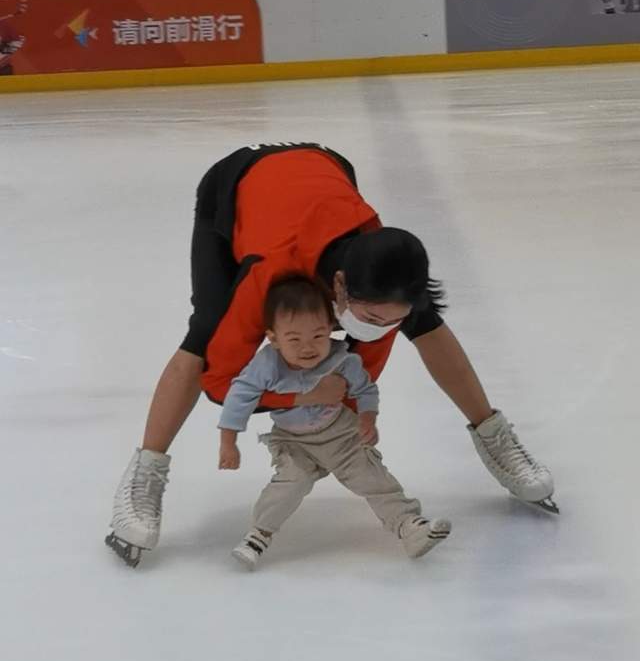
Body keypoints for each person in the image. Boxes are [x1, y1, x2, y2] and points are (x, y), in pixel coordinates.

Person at [106, 143, 556, 569]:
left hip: (324, 169)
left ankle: (494, 434)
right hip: (235, 184)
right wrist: (297, 403)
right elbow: (221, 383)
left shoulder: (382, 274)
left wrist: (340, 421)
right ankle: (146, 473)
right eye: (373, 318)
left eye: (389, 322)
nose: (382, 330)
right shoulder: (269, 272)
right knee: (205, 330)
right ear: (338, 286)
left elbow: (352, 381)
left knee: (425, 320)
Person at [219, 275, 451, 569]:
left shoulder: (341, 359)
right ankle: (258, 534)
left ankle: (409, 525)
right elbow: (240, 395)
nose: (308, 347)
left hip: (340, 434)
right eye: (294, 339)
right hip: (293, 440)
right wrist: (229, 442)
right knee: (289, 483)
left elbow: (365, 389)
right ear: (273, 338)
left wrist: (368, 418)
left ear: (330, 329)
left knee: (372, 476)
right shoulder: (267, 364)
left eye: (317, 336)